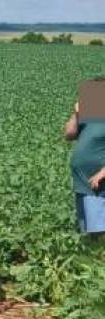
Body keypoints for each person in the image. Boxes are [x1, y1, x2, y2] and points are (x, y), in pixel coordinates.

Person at [64, 83, 105, 235]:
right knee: (87, 233)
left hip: (99, 184)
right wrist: (77, 114)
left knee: (99, 233)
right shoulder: (91, 115)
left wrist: (103, 173)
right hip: (82, 183)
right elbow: (69, 134)